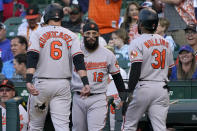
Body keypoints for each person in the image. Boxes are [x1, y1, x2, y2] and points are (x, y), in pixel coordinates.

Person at [26, 3, 90, 131]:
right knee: (62, 127)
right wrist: (85, 82)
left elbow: (32, 57)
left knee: (35, 126)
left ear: (46, 16)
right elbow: (78, 60)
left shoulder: (38, 33)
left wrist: (28, 80)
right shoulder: (71, 35)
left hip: (42, 85)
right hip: (63, 85)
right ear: (61, 17)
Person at [122, 8, 174, 131]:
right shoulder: (165, 42)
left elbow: (135, 69)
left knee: (129, 125)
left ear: (141, 24)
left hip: (143, 87)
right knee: (160, 127)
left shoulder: (136, 42)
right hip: (161, 88)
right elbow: (170, 70)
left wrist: (128, 93)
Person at [71, 21, 126, 131]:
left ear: (98, 34)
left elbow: (117, 77)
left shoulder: (107, 54)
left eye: (94, 33)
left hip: (98, 97)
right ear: (83, 34)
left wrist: (123, 96)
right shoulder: (75, 52)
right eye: (88, 33)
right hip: (78, 96)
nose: (91, 36)